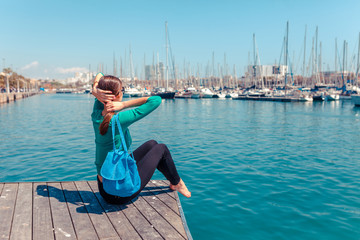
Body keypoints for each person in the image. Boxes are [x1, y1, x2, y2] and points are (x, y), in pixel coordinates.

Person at [91, 73, 191, 204]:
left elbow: (99, 75)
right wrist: (124, 105)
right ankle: (177, 182)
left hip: (104, 188)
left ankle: (174, 182)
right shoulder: (119, 120)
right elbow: (155, 100)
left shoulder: (96, 114)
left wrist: (95, 91)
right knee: (161, 148)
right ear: (116, 96)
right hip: (120, 193)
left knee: (152, 144)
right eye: (122, 91)